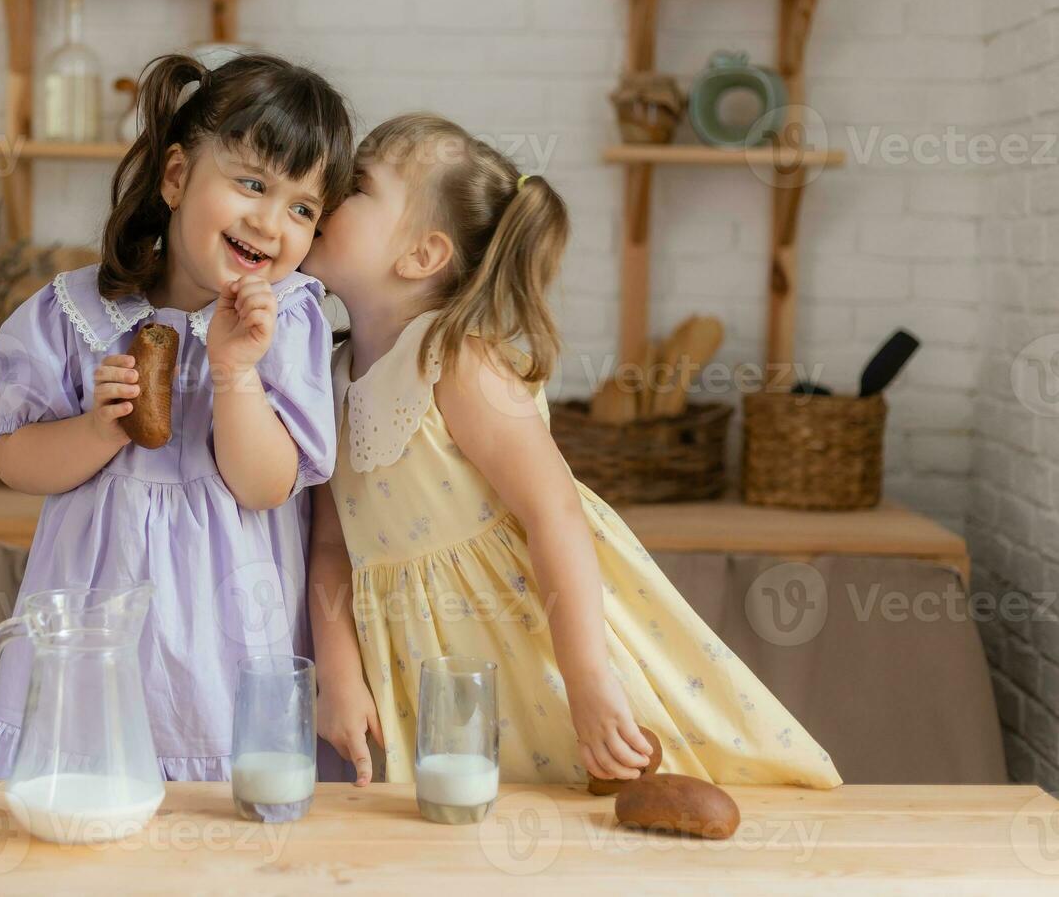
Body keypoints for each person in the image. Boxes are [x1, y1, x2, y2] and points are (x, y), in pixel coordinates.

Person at [305, 113, 842, 790]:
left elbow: (554, 511)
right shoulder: (328, 376)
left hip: (532, 635)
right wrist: (339, 674)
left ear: (422, 255)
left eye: (355, 184)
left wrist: (588, 678)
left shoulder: (455, 361)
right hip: (426, 660)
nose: (324, 190)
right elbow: (329, 547)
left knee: (604, 788)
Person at [0, 52, 354, 781]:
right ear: (175, 178)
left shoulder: (288, 321)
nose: (270, 222)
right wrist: (96, 431)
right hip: (97, 633)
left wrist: (232, 371)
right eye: (252, 184)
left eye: (302, 208)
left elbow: (265, 486)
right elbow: (17, 460)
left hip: (227, 650)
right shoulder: (75, 313)